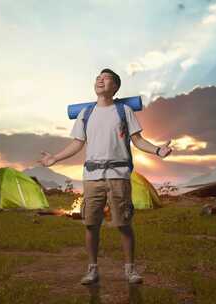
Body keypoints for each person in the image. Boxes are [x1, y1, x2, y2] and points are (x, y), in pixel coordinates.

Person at [38, 68, 172, 285]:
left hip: (119, 176)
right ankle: (92, 270)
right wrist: (55, 158)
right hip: (92, 177)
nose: (100, 80)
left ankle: (130, 270)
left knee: (124, 223)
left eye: (106, 78)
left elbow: (137, 140)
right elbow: (77, 143)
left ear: (116, 87)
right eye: (98, 78)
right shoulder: (86, 113)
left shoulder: (124, 110)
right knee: (91, 224)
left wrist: (158, 150)